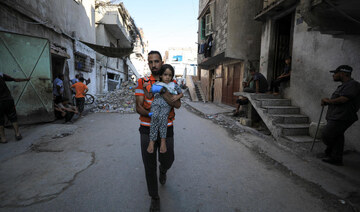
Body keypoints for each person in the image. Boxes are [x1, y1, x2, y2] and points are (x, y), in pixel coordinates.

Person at [135, 51, 181, 211]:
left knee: (168, 159)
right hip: (146, 129)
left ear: (162, 62)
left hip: (167, 128)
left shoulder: (171, 81)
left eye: (156, 61)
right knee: (149, 165)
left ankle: (163, 170)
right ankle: (154, 197)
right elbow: (138, 106)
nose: (153, 65)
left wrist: (162, 91)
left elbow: (177, 105)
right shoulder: (142, 82)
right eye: (150, 62)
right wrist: (151, 115)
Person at [319, 65, 360, 166]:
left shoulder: (353, 84)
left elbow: (344, 99)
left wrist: (329, 101)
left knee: (326, 134)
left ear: (342, 73)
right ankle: (335, 158)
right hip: (337, 115)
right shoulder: (344, 85)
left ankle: (331, 152)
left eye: (335, 73)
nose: (333, 75)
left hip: (343, 116)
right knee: (337, 136)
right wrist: (328, 101)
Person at [143, 64, 183, 154]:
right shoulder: (156, 84)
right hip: (155, 105)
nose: (167, 77)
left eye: (170, 75)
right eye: (165, 74)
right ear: (161, 75)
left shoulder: (173, 85)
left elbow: (181, 93)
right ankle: (151, 141)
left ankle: (163, 141)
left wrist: (177, 96)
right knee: (155, 117)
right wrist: (145, 88)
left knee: (162, 118)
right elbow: (149, 96)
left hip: (166, 106)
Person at [0, 72, 30, 143]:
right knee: (13, 117)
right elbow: (15, 79)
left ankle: (3, 138)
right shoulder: (1, 74)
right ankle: (17, 134)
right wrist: (26, 79)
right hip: (8, 99)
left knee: (0, 120)